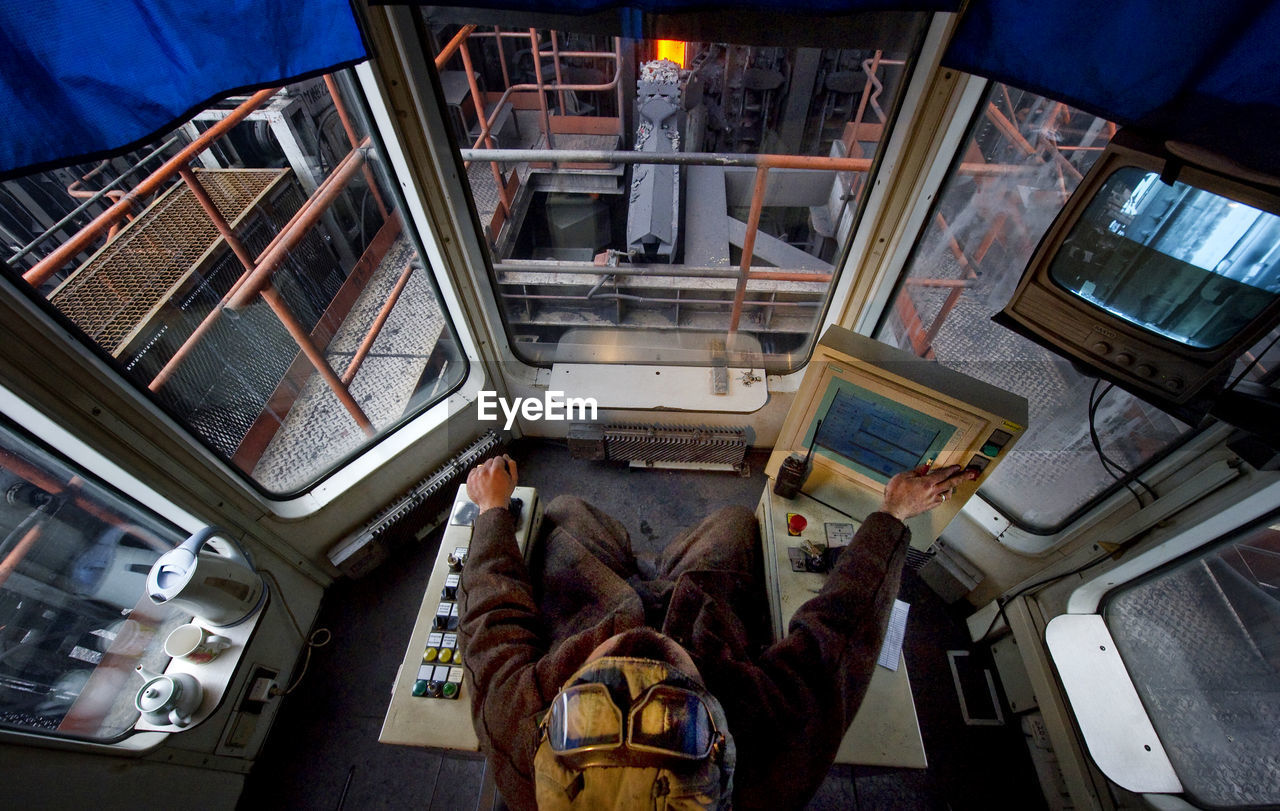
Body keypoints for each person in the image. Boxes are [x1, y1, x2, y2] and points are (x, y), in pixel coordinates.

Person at [459, 455, 973, 810]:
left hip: (589, 611)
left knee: (567, 512)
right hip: (707, 619)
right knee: (732, 522)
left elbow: (490, 618)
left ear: (546, 732)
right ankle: (673, 568)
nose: (642, 645)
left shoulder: (519, 744)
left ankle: (621, 563)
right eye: (678, 717)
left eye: (591, 692)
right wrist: (891, 516)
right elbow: (839, 633)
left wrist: (492, 511)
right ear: (724, 748)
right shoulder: (774, 763)